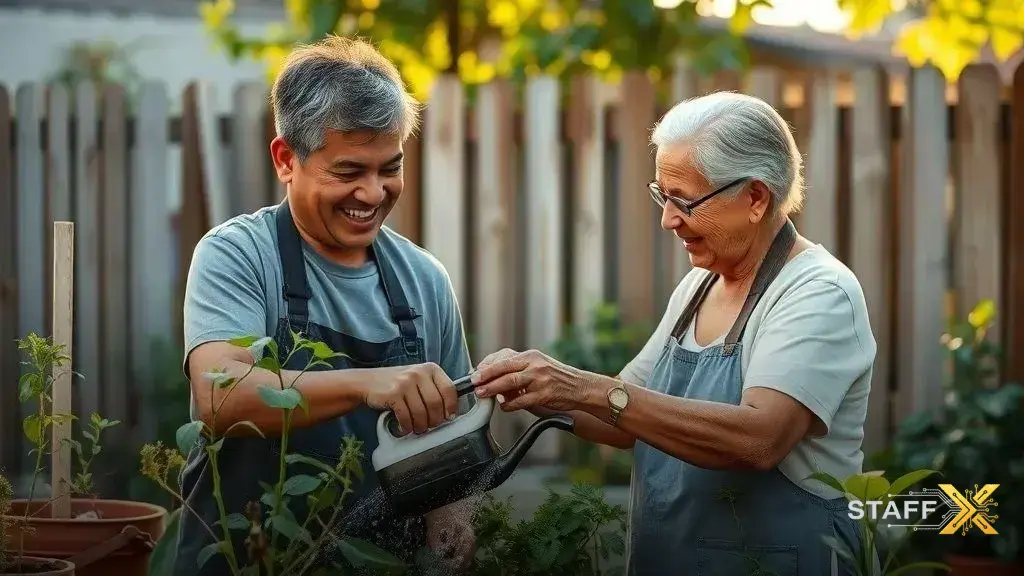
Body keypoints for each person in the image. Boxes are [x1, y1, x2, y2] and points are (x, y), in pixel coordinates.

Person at [472, 92, 878, 576]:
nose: (667, 218)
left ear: (754, 197)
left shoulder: (818, 292)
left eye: (684, 201)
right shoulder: (698, 287)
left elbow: (759, 439)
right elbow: (618, 416)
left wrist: (583, 386)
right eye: (661, 195)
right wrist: (535, 385)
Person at [176, 36, 476, 575]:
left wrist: (451, 509)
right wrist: (366, 382)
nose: (372, 193)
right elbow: (220, 398)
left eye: (389, 168)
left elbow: (454, 430)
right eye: (348, 172)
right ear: (286, 159)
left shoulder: (424, 279)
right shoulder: (238, 254)